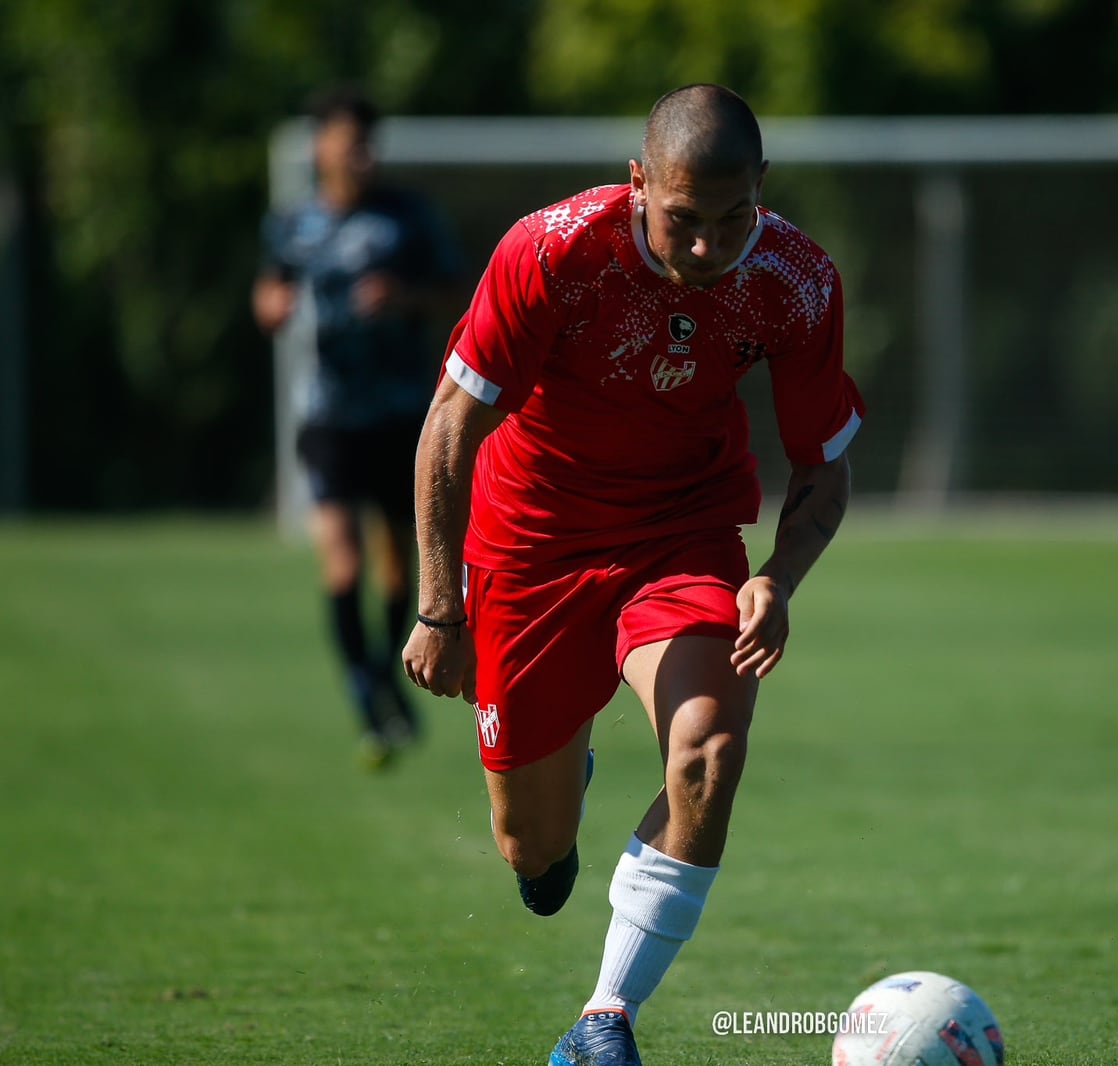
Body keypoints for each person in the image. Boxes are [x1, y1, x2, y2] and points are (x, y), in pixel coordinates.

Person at [402, 84, 863, 1066]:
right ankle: (560, 777)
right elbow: (450, 424)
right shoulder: (551, 252)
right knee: (533, 853)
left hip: (679, 534)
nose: (707, 249)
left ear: (761, 191)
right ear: (637, 183)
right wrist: (442, 610)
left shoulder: (796, 279)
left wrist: (779, 575)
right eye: (681, 222)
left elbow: (824, 459)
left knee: (706, 753)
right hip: (528, 547)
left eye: (732, 219)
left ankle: (602, 1021)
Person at [254, 85, 467, 770]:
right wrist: (274, 304)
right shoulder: (293, 223)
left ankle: (388, 672)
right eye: (350, 142)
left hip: (403, 411)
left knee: (397, 559)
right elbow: (270, 288)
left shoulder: (408, 218)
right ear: (321, 147)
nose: (362, 156)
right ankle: (367, 692)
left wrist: (402, 298)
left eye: (369, 144)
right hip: (328, 414)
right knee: (341, 556)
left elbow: (459, 293)